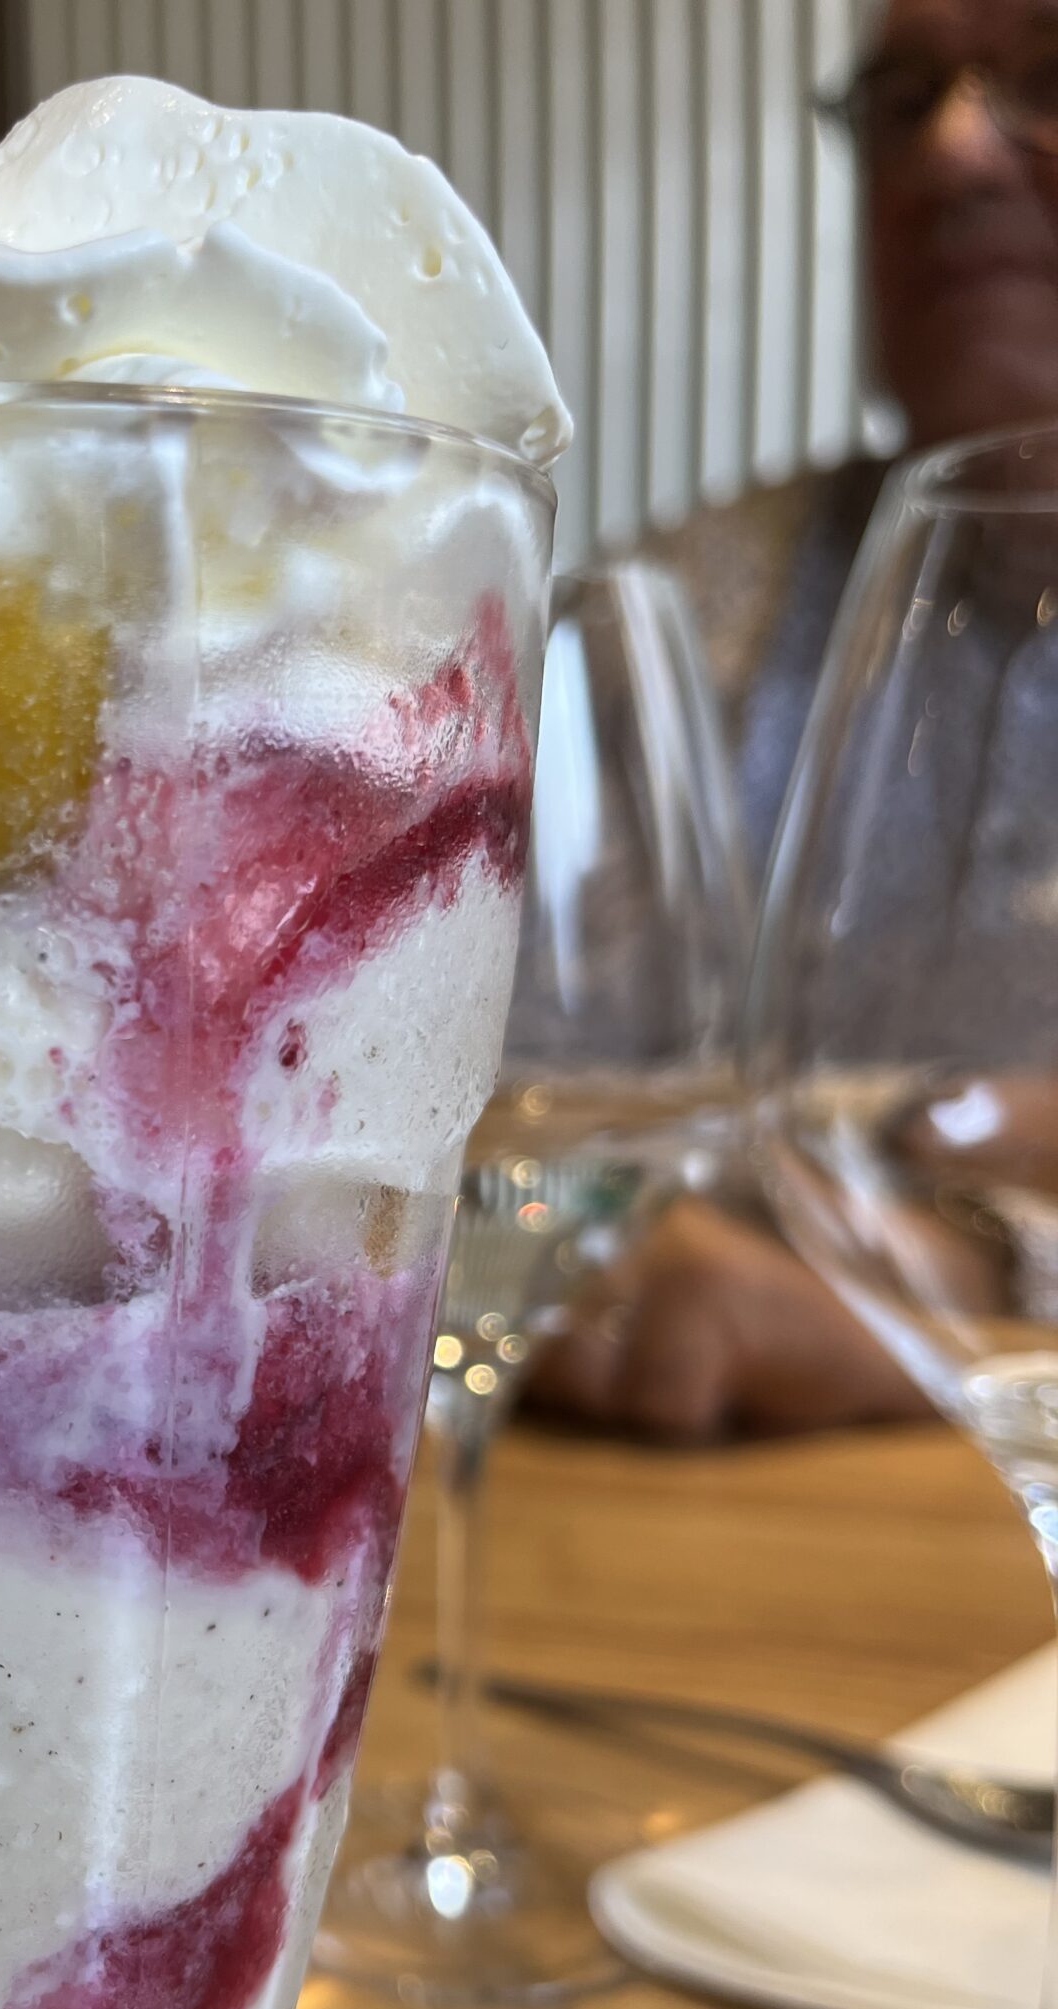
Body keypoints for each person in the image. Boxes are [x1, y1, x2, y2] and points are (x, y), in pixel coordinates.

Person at [529, 0, 1058, 1440]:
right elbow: (490, 1115)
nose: (949, 151)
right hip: (701, 1538)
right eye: (900, 100)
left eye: (1048, 79)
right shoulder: (669, 623)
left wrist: (969, 1275)